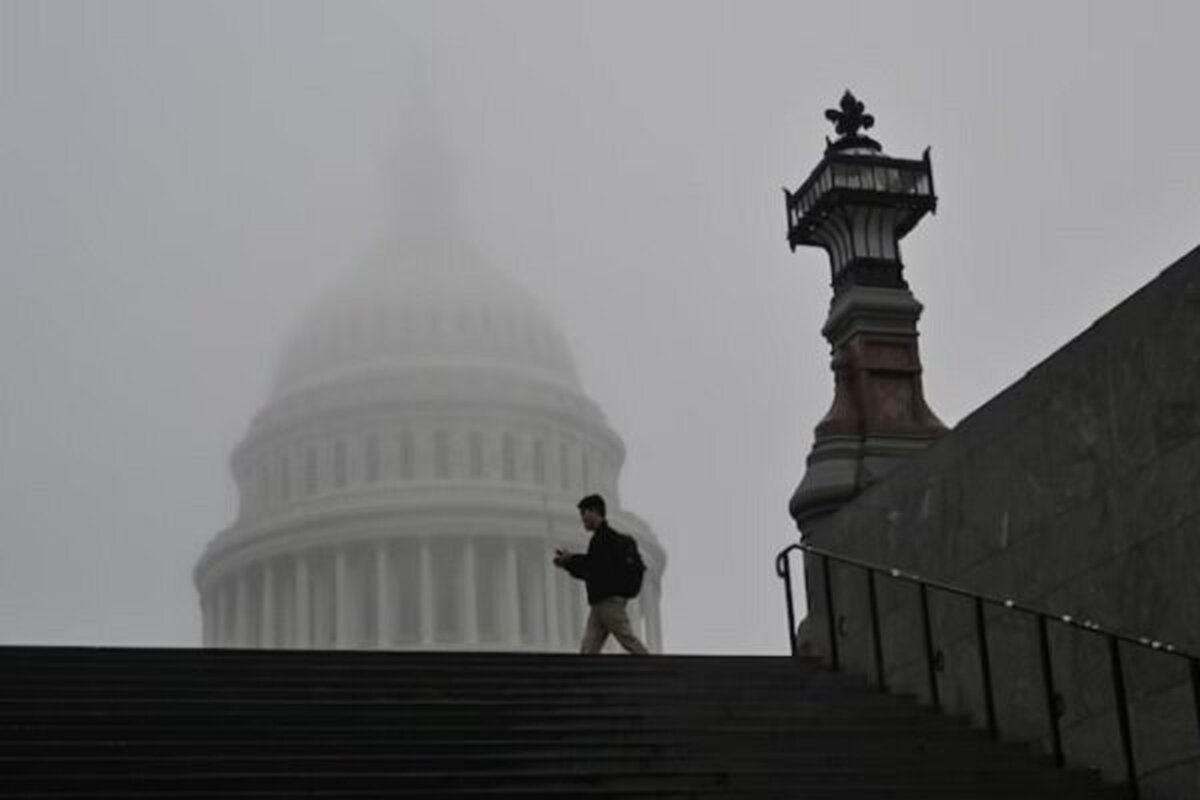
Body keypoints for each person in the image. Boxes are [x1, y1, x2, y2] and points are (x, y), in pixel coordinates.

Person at [552, 494, 649, 655]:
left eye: (584, 513)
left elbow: (594, 567)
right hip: (599, 603)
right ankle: (581, 678)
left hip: (608, 601)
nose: (582, 518)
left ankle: (655, 668)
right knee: (588, 648)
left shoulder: (605, 538)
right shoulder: (603, 538)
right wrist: (570, 562)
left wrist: (570, 561)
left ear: (595, 512)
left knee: (627, 638)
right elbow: (593, 568)